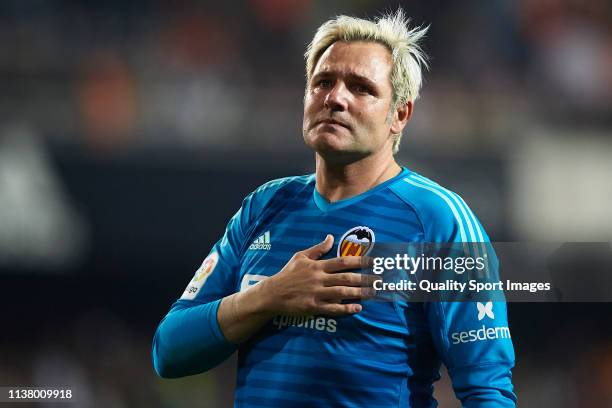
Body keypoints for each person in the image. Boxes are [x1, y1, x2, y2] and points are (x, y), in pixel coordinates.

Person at [153, 9, 516, 407]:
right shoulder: (265, 207)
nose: (335, 98)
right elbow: (168, 351)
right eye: (323, 82)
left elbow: (487, 391)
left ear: (399, 113)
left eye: (361, 88)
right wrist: (271, 295)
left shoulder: (438, 220)